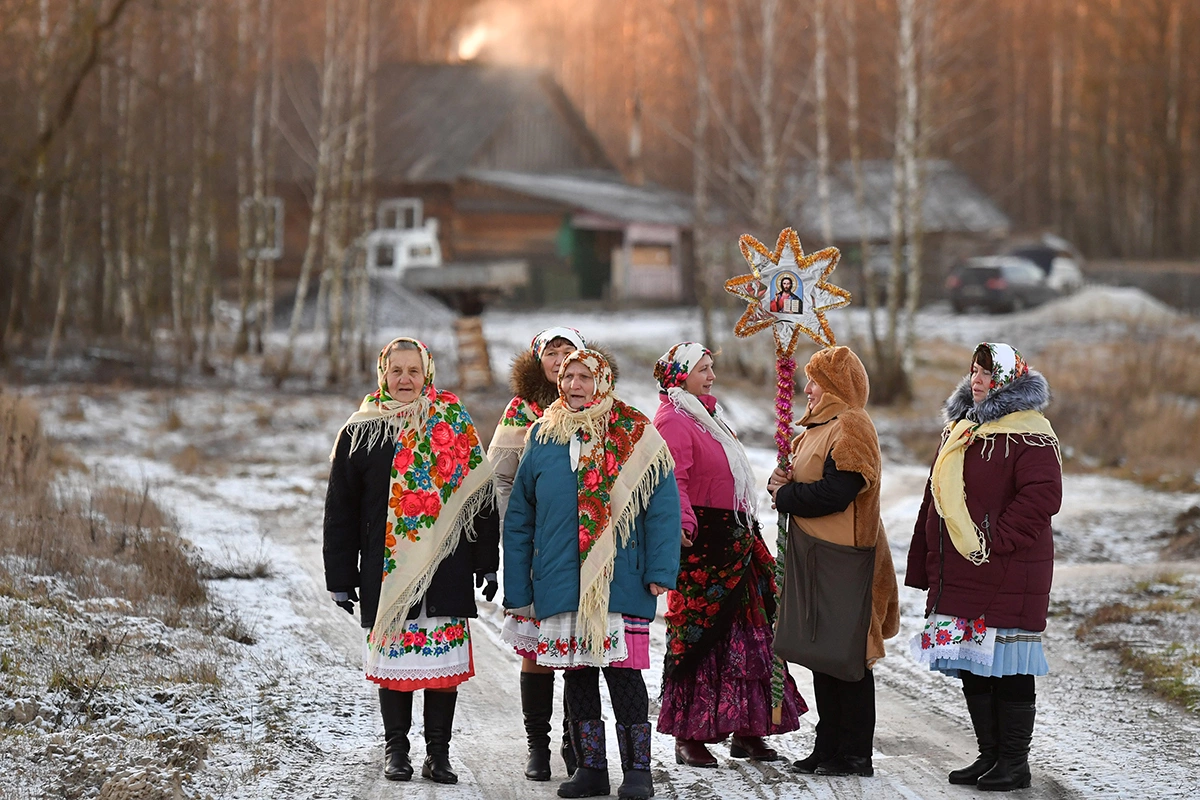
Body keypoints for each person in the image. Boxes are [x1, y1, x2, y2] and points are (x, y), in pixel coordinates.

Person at [503, 349, 681, 800]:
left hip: (621, 578)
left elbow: (663, 507)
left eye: (585, 376)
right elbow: (521, 516)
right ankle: (592, 770)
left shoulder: (634, 431)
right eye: (568, 376)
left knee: (623, 675)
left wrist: (661, 569)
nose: (575, 384)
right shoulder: (543, 434)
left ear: (602, 380)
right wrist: (520, 586)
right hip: (561, 579)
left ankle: (639, 771)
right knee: (577, 675)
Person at [323, 337, 499, 786]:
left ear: (428, 374)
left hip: (445, 567)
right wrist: (341, 577)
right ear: (383, 374)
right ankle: (396, 749)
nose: (405, 380)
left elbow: (478, 498)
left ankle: (438, 754)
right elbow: (341, 509)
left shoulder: (453, 422)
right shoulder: (361, 429)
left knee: (441, 674)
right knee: (396, 669)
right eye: (396, 371)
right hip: (387, 570)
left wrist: (486, 560)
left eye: (413, 371)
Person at [906, 342, 1061, 792]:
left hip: (1008, 567)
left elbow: (1041, 499)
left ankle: (1015, 763)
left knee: (1009, 668)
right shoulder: (959, 430)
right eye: (974, 371)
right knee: (975, 665)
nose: (977, 381)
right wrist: (927, 559)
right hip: (962, 566)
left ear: (1009, 381)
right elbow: (934, 499)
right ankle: (990, 755)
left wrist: (993, 542)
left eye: (989, 374)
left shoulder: (1030, 434)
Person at [651, 342, 806, 768]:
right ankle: (689, 735)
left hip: (736, 538)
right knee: (701, 637)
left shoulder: (707, 416)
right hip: (703, 543)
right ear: (681, 374)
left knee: (749, 634)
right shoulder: (673, 420)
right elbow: (672, 480)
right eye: (704, 368)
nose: (712, 375)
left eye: (712, 367)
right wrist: (682, 525)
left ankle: (748, 728)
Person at [767, 345, 900, 778]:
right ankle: (828, 746)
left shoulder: (851, 425)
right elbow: (798, 483)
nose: (807, 389)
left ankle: (856, 753)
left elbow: (838, 491)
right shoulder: (815, 430)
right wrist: (779, 484)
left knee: (847, 659)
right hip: (815, 555)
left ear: (838, 387)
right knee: (823, 656)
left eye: (817, 381)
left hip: (847, 560)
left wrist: (787, 496)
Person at [490, 326, 587, 781]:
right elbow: (501, 478)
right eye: (553, 351)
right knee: (537, 647)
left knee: (576, 646)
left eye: (570, 351)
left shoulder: (596, 405)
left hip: (587, 548)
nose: (561, 359)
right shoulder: (521, 411)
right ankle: (537, 746)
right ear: (539, 359)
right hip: (536, 547)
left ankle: (574, 742)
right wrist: (523, 530)